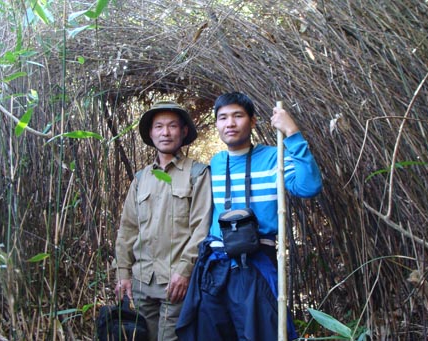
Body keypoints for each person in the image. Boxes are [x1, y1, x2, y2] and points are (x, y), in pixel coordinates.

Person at [176, 92, 322, 340]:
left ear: (252, 122)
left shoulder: (274, 156)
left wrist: (292, 133)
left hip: (255, 265)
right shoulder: (216, 162)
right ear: (217, 125)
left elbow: (309, 187)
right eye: (222, 118)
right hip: (215, 266)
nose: (230, 124)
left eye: (238, 116)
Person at [114, 100, 212, 341]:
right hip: (141, 280)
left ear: (184, 131)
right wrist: (123, 274)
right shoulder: (141, 179)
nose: (165, 133)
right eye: (159, 127)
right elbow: (127, 229)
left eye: (172, 126)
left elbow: (202, 228)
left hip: (176, 283)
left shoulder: (197, 174)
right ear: (151, 133)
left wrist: (184, 271)